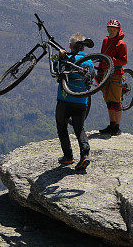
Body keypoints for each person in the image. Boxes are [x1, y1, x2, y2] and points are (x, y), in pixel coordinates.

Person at [54, 34, 95, 172]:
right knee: (79, 129)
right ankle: (84, 156)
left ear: (71, 47)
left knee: (62, 127)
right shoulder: (88, 62)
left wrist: (60, 57)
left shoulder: (67, 58)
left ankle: (68, 156)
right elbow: (92, 76)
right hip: (81, 101)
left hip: (64, 100)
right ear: (83, 47)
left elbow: (56, 71)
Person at [97, 19, 127, 136]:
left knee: (116, 100)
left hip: (116, 74)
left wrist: (112, 60)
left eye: (113, 30)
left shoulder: (121, 44)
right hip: (105, 73)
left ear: (118, 30)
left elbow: (124, 60)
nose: (111, 31)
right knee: (108, 100)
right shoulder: (105, 41)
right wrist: (100, 70)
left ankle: (117, 127)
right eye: (109, 29)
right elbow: (102, 56)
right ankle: (112, 124)